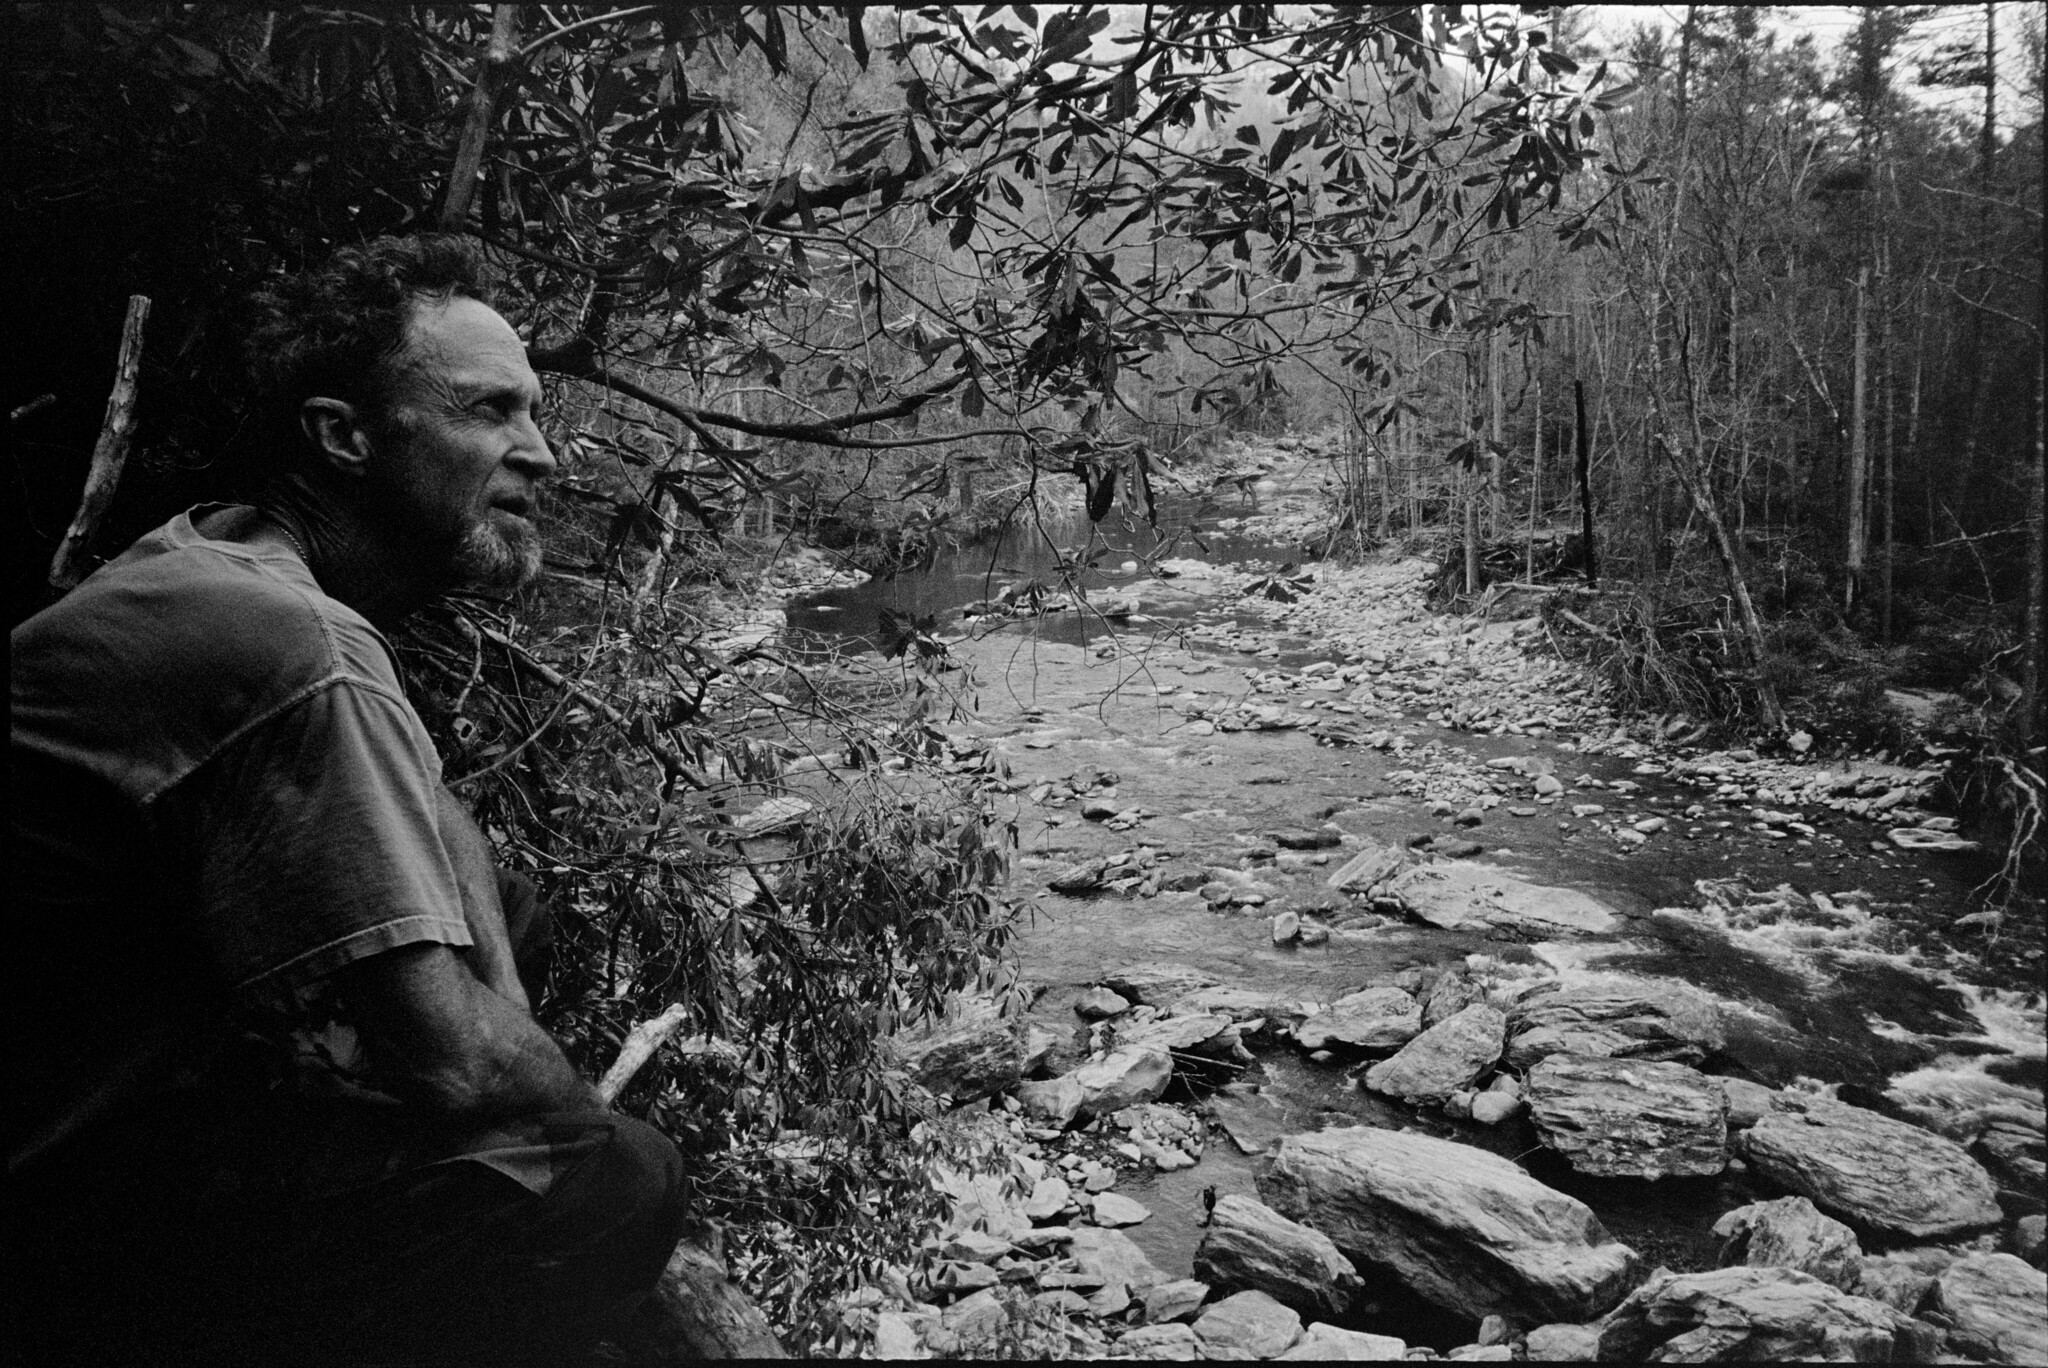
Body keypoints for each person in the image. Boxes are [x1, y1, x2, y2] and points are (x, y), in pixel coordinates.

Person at [9, 236, 690, 1366]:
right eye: (490, 412)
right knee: (620, 1182)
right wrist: (566, 1120)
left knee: (507, 910)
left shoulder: (218, 554)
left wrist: (502, 997)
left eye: (534, 411)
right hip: (45, 1210)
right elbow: (463, 1068)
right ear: (343, 436)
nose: (542, 453)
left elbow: (427, 802)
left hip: (102, 1079)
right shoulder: (293, 642)